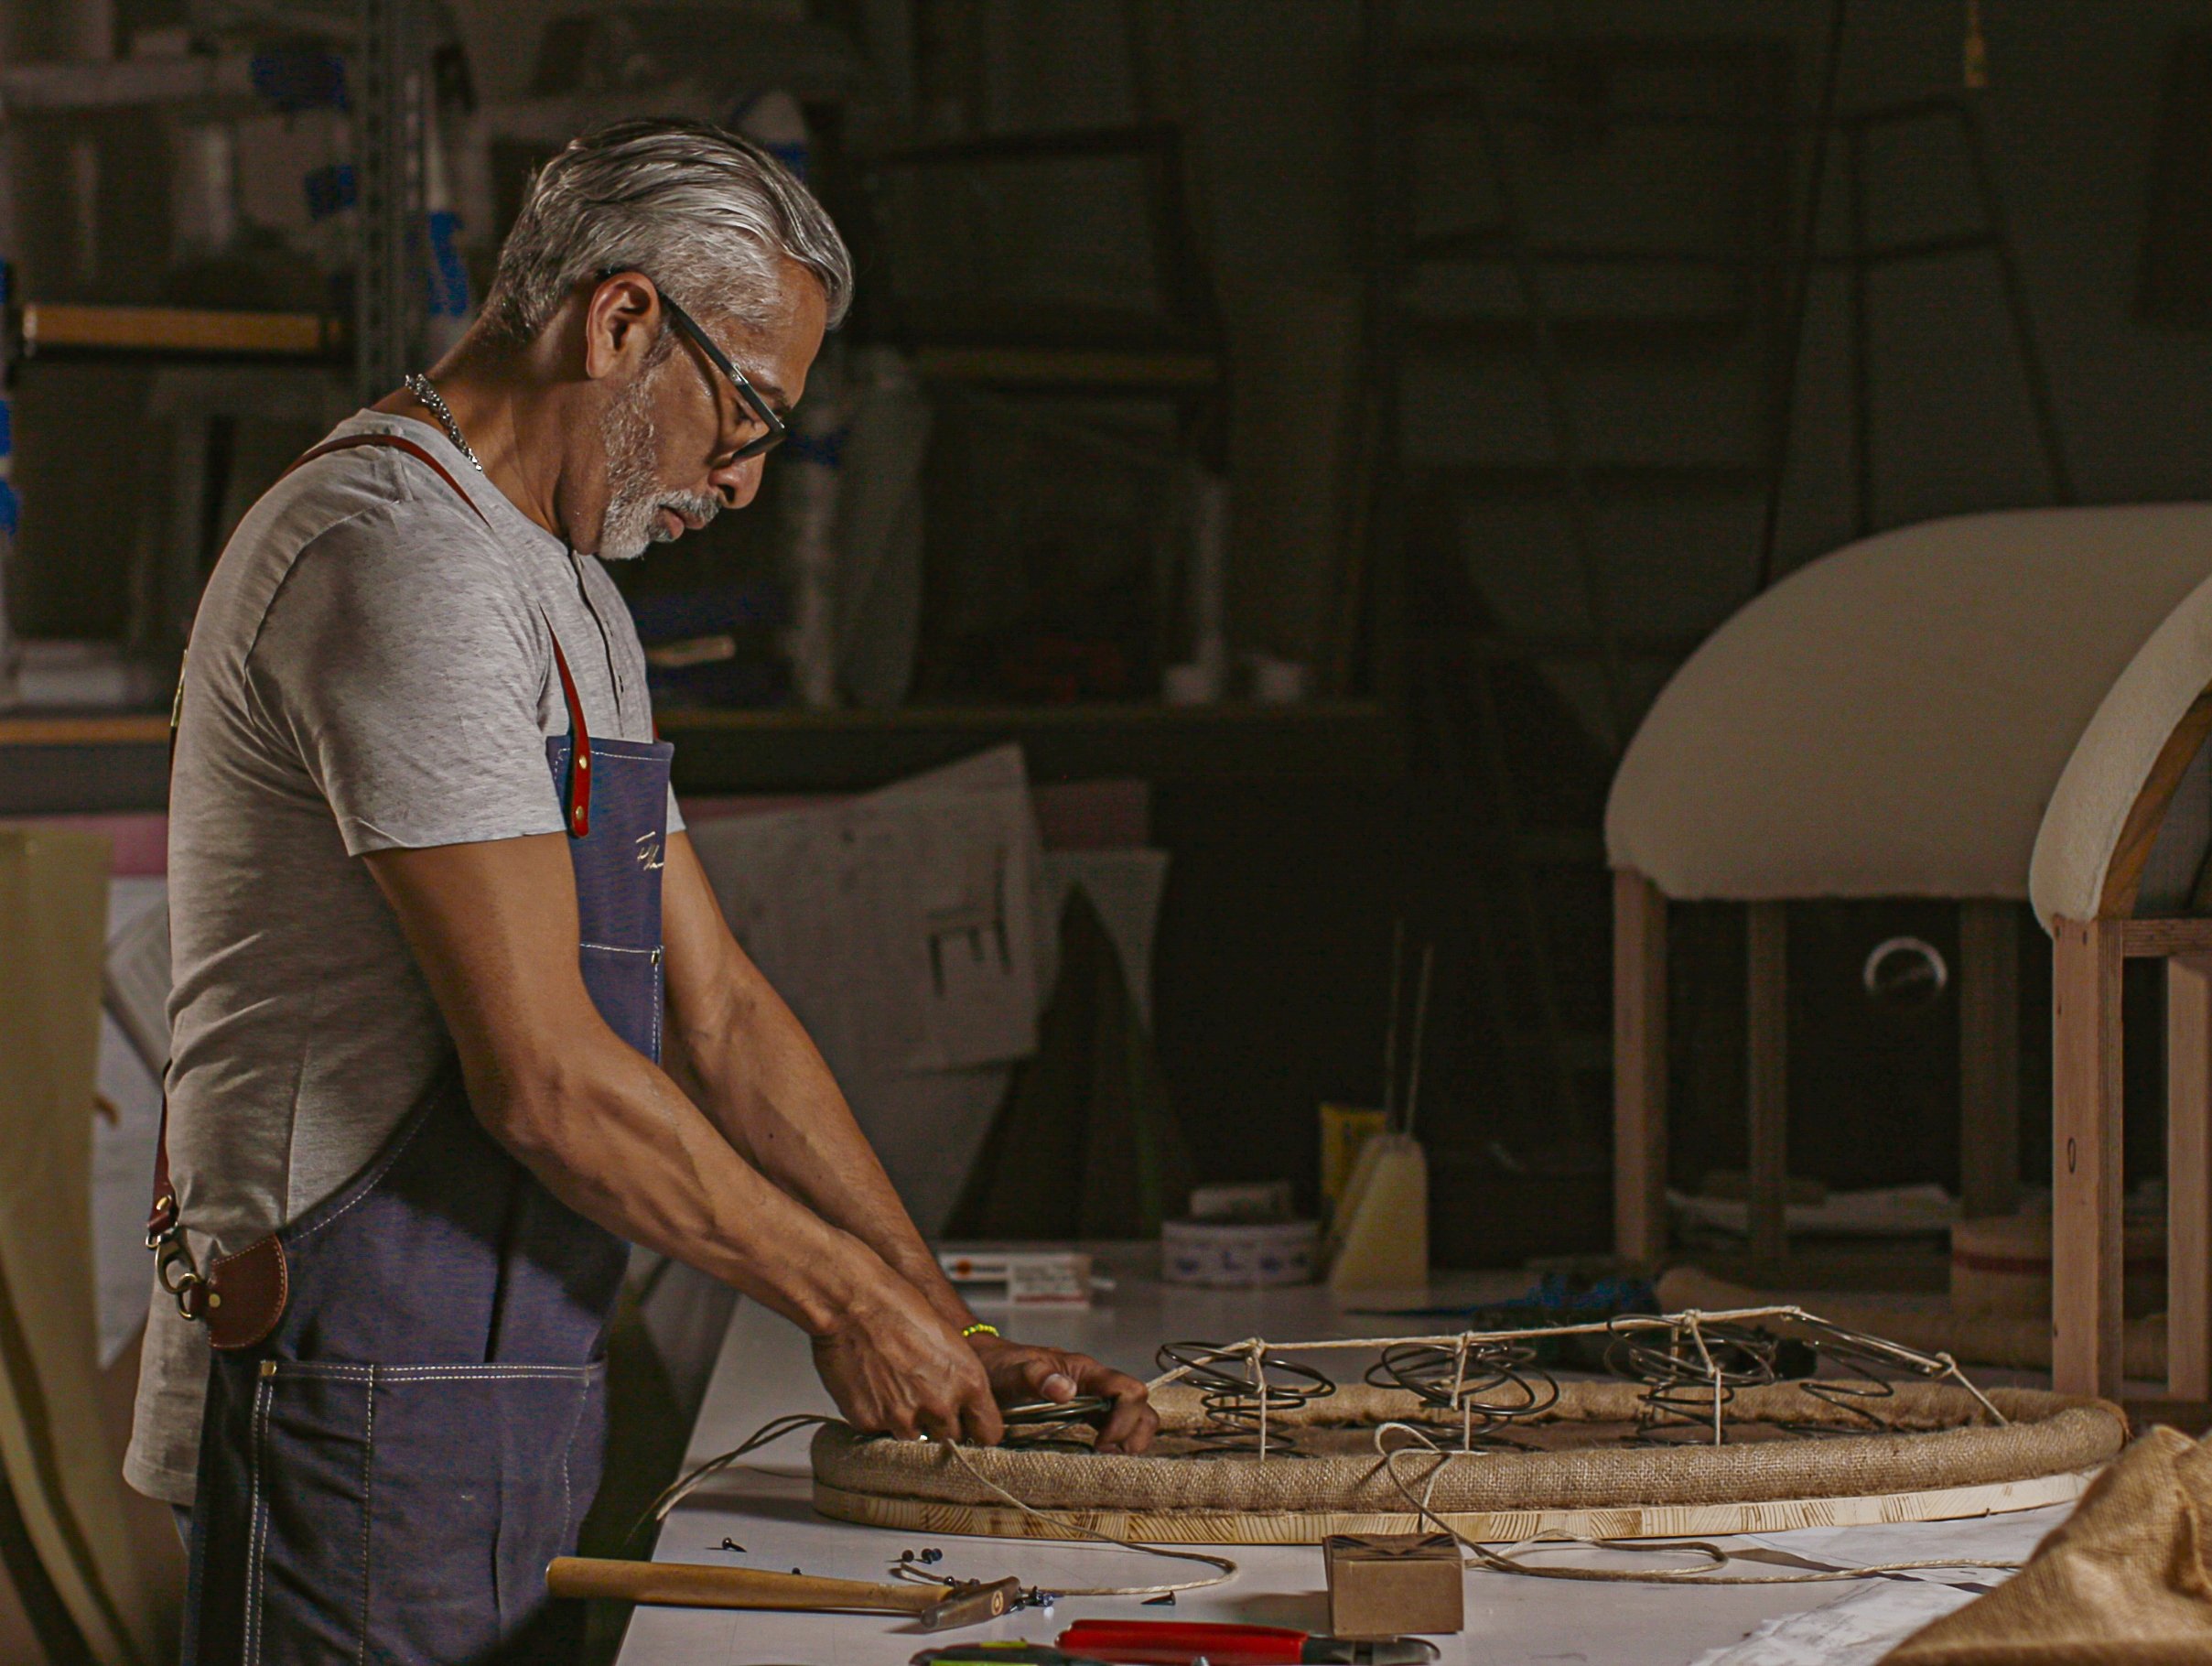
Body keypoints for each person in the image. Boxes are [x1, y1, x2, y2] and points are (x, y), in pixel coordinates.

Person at [126, 118, 1155, 1663]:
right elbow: (543, 1078)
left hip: (504, 1373)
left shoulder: (566, 591)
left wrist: (935, 1321)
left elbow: (719, 1007)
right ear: (619, 321)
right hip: (353, 1400)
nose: (741, 484)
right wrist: (840, 1304)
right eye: (744, 418)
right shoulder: (397, 562)